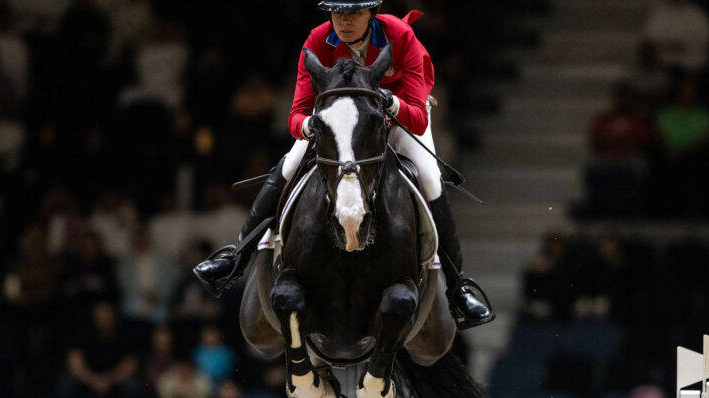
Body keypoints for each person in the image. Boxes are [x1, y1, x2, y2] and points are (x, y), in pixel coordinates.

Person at [193, 0, 492, 329]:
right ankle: (236, 257)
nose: (344, 21)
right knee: (291, 162)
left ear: (372, 14)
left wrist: (388, 102)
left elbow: (419, 120)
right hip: (341, 125)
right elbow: (296, 113)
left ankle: (458, 288)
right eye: (338, 14)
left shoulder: (401, 36)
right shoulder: (317, 41)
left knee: (432, 179)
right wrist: (308, 127)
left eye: (354, 14)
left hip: (398, 120)